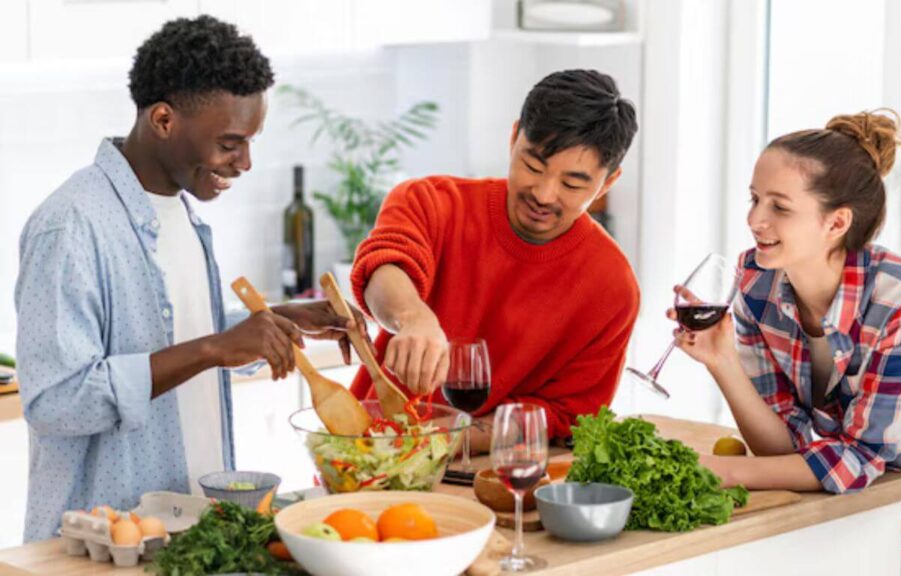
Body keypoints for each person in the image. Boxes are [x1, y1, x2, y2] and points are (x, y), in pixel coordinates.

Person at [15, 15, 362, 542]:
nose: (244, 162)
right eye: (229, 143)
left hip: (192, 535)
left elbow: (163, 330)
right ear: (162, 120)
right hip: (99, 548)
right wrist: (213, 349)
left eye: (250, 141)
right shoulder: (72, 224)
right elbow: (55, 402)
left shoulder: (183, 212)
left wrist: (274, 318)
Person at [673, 109, 901, 573]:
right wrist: (721, 361)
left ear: (836, 223)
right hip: (865, 484)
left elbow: (860, 460)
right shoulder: (755, 282)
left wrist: (723, 470)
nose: (755, 219)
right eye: (754, 199)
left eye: (779, 207)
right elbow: (783, 449)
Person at [348, 69, 640, 444]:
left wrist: (441, 440)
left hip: (493, 474)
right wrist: (412, 316)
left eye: (572, 183)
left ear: (609, 181)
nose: (545, 194)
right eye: (533, 166)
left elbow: (567, 412)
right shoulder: (431, 201)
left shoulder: (612, 287)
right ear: (514, 137)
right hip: (369, 455)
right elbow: (384, 264)